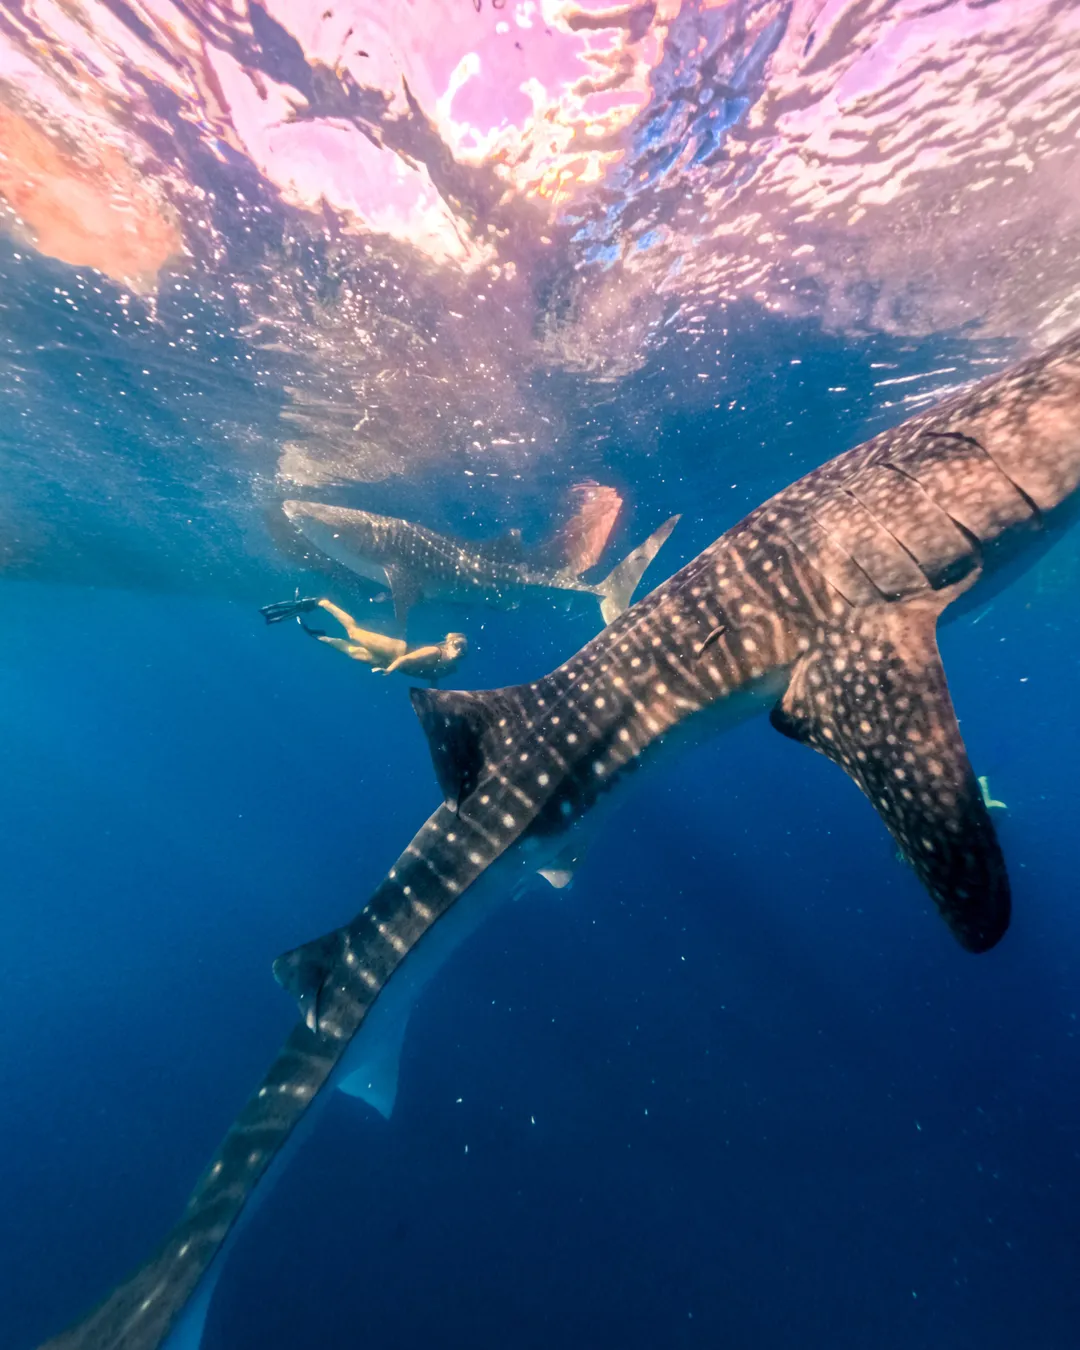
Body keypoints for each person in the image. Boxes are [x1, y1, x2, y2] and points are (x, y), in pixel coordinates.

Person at [260, 595, 467, 682]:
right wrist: (390, 669)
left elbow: (431, 677)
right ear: (449, 643)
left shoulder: (448, 669)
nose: (459, 650)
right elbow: (406, 659)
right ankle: (324, 603)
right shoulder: (434, 652)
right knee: (354, 633)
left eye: (463, 650)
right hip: (395, 652)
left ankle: (321, 637)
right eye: (458, 645)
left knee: (353, 653)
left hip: (389, 662)